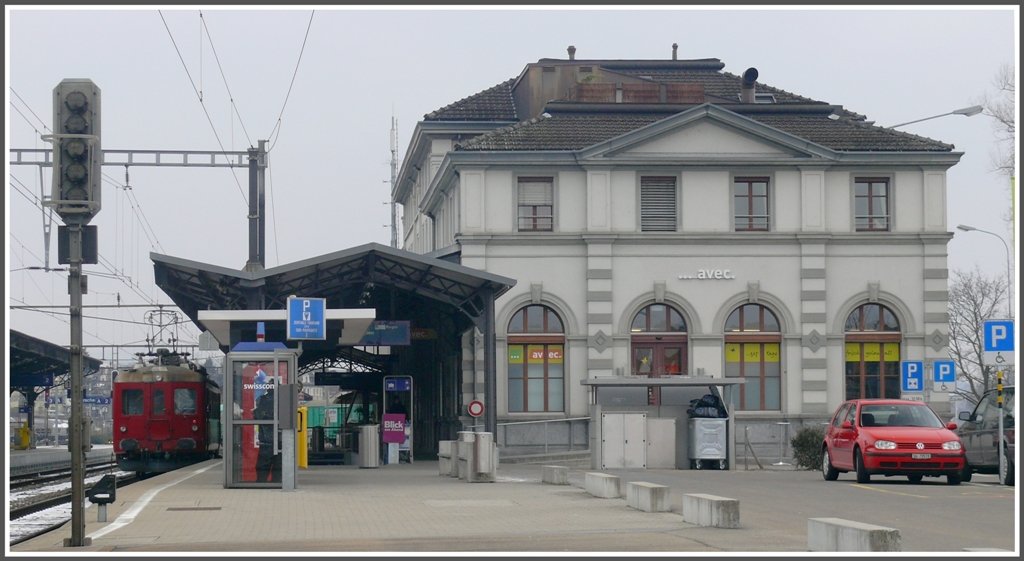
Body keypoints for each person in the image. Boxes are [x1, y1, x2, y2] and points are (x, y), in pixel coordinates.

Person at [254, 388, 280, 482]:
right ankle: (277, 484)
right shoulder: (282, 400)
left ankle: (261, 484)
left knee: (262, 467)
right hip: (279, 439)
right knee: (278, 467)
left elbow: (257, 416)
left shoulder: (262, 399)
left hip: (265, 440)